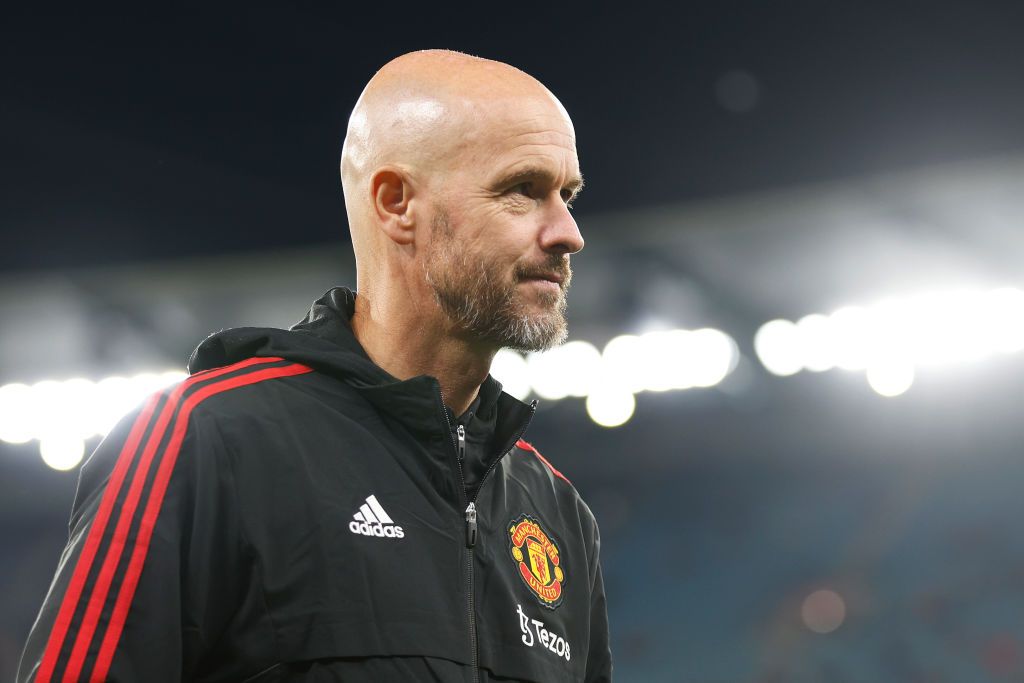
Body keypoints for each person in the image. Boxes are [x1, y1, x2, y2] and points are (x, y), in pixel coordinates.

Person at [18, 49, 611, 682]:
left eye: (565, 195)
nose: (568, 231)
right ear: (395, 203)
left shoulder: (557, 513)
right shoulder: (208, 438)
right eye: (523, 190)